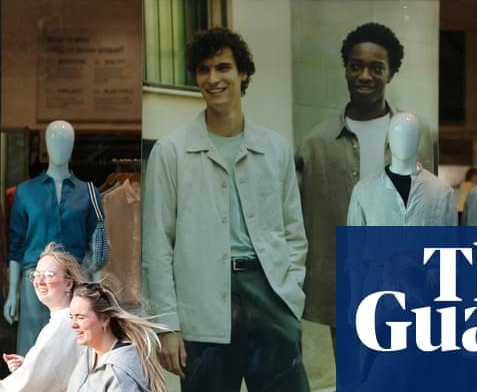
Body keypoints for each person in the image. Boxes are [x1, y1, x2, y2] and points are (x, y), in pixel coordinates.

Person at [143, 27, 308, 392]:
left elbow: (294, 233)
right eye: (203, 70)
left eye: (223, 67)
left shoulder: (275, 149)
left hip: (271, 297)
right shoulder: (171, 152)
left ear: (243, 73)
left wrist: (290, 295)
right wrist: (167, 326)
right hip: (202, 303)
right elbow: (156, 246)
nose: (213, 79)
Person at [295, 22, 434, 347]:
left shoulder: (422, 137)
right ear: (345, 69)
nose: (364, 76)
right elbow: (297, 221)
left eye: (376, 67)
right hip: (346, 281)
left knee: (401, 374)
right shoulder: (315, 144)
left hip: (405, 279)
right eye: (356, 66)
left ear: (391, 72)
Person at [0, 242, 86, 392]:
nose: (39, 281)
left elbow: (16, 387)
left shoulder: (63, 325)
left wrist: (32, 370)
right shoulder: (68, 320)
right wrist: (30, 365)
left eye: (48, 275)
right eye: (36, 274)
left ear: (68, 284)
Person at [66, 283, 168, 392]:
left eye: (81, 317)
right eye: (71, 317)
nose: (73, 324)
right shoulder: (89, 355)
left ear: (104, 319)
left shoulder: (119, 377)